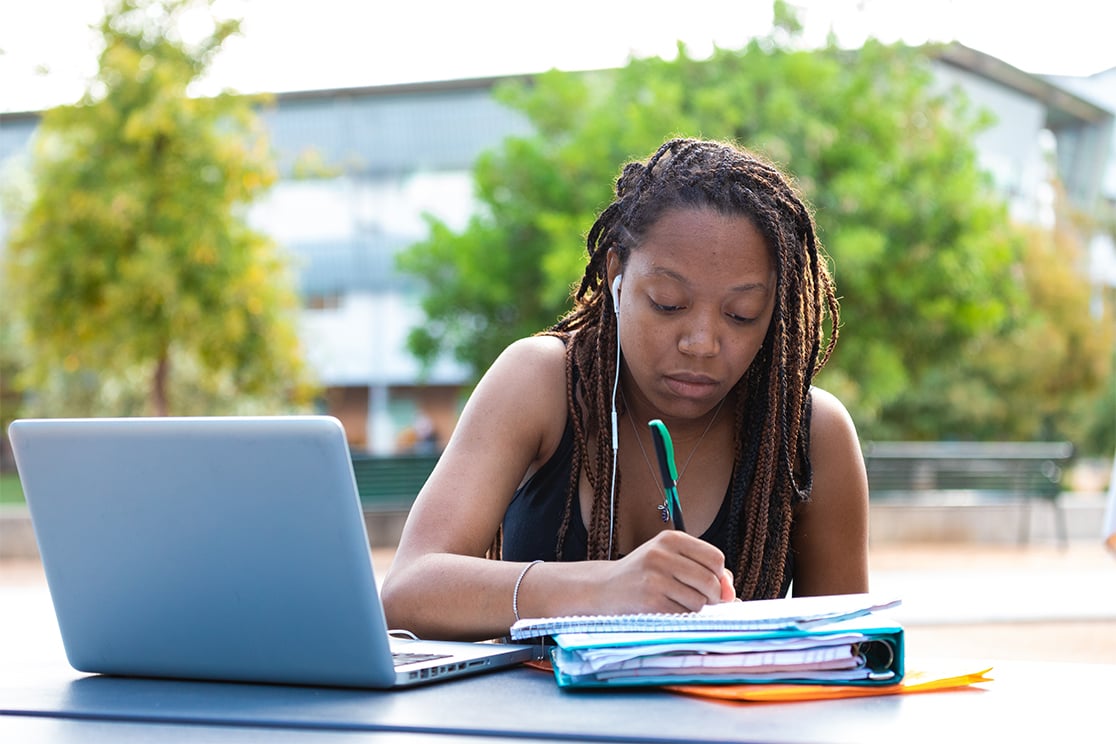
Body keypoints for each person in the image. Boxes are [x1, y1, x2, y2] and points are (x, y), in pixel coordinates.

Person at [381, 137, 869, 641]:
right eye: (667, 303)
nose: (701, 343)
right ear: (616, 274)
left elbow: (850, 656)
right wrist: (601, 589)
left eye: (741, 314)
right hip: (531, 723)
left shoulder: (810, 435)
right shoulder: (541, 381)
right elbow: (408, 591)